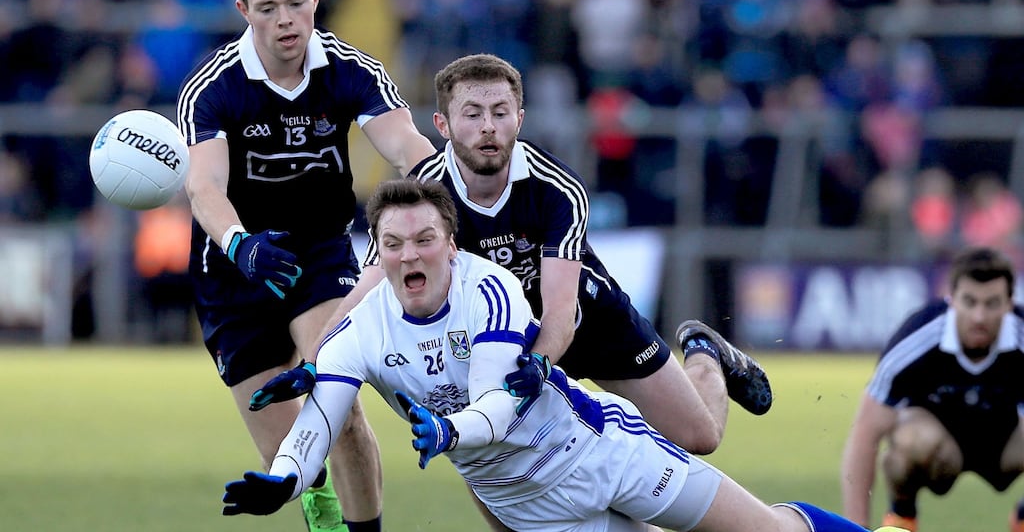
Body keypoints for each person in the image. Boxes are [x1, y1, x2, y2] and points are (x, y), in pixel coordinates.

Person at [252, 52, 772, 530]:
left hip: (585, 321)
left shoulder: (556, 188)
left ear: (519, 118)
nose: (488, 127)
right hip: (497, 336)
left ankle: (705, 353)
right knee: (487, 459)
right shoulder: (427, 191)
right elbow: (366, 289)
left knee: (700, 437)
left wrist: (541, 361)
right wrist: (315, 362)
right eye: (472, 114)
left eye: (500, 113)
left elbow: (562, 311)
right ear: (443, 125)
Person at [221, 177, 897, 532]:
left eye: (424, 239)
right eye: (393, 244)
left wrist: (448, 432)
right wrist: (286, 475)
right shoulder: (360, 329)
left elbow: (498, 403)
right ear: (378, 252)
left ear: (451, 244)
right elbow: (323, 413)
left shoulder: (490, 289)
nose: (408, 255)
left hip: (602, 454)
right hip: (528, 508)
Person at [175, 0, 436, 531]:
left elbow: (406, 144)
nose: (285, 20)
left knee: (339, 406)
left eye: (296, 3)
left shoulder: (351, 70)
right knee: (287, 455)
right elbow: (203, 186)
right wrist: (241, 245)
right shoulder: (213, 87)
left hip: (318, 257)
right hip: (233, 270)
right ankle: (321, 507)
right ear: (244, 11)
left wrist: (440, 192)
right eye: (268, 8)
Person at [840, 247, 1024, 532]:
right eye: (970, 301)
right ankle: (902, 515)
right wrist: (855, 528)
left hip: (1007, 446)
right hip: (938, 448)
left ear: (1009, 304)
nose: (979, 316)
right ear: (951, 299)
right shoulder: (917, 337)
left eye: (992, 303)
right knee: (908, 441)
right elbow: (865, 434)